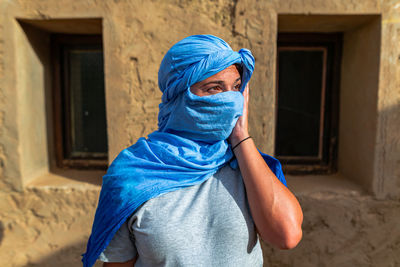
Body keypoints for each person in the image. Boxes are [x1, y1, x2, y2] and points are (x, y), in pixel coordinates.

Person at [82, 35, 303, 267]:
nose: (229, 100)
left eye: (236, 87)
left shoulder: (244, 164)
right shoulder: (134, 174)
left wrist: (240, 136)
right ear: (179, 94)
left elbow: (286, 235)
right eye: (214, 88)